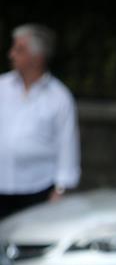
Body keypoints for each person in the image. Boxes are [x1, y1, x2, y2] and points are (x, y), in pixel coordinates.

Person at [0, 24, 79, 220]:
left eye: (19, 49)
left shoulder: (59, 97)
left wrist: (61, 188)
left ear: (37, 57)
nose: (11, 54)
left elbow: (67, 145)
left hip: (37, 188)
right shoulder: (2, 87)